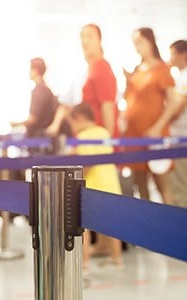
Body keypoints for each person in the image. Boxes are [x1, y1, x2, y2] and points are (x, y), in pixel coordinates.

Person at [68, 103, 123, 271]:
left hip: (92, 186)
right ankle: (117, 259)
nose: (73, 128)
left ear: (80, 118)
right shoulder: (104, 132)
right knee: (114, 225)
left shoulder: (83, 136)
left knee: (84, 226)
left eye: (72, 123)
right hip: (111, 184)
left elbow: (88, 164)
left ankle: (84, 263)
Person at [122, 27, 174, 205]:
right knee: (140, 184)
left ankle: (171, 226)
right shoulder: (137, 70)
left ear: (150, 42)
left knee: (162, 184)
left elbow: (172, 102)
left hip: (154, 135)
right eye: (135, 44)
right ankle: (147, 225)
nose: (137, 47)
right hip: (135, 135)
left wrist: (158, 127)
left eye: (140, 43)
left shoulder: (161, 68)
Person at [167, 39, 187, 208]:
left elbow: (177, 109)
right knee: (174, 182)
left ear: (184, 55)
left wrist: (159, 124)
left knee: (181, 181)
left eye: (173, 54)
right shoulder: (180, 77)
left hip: (182, 136)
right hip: (174, 137)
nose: (170, 58)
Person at [79, 24, 118, 137]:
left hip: (100, 138)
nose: (85, 41)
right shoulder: (92, 68)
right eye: (82, 37)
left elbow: (107, 106)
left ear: (99, 40)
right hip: (93, 135)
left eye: (90, 36)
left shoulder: (102, 68)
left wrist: (107, 141)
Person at [11, 58, 58, 137]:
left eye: (30, 69)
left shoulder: (39, 91)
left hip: (39, 138)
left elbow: (33, 119)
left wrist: (16, 124)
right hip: (44, 137)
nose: (28, 72)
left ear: (35, 71)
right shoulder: (46, 89)